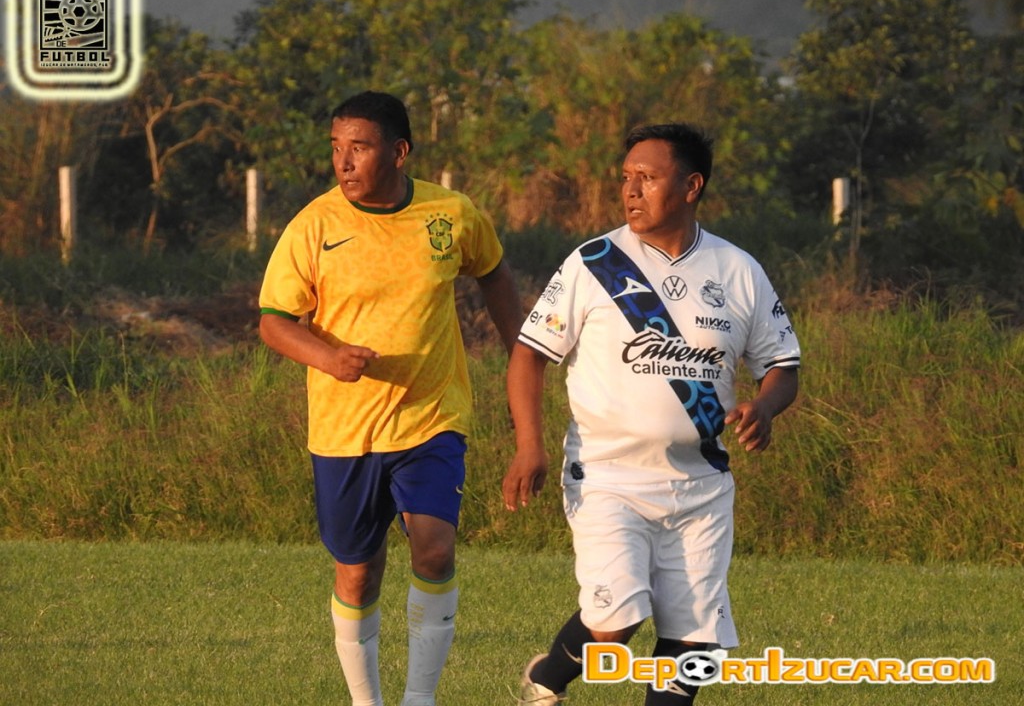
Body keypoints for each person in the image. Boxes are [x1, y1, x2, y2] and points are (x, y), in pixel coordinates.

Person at [502, 123, 800, 705]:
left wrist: (764, 406)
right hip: (607, 475)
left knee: (692, 645)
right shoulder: (596, 262)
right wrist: (528, 445)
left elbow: (783, 366)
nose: (631, 190)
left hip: (701, 484)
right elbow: (528, 355)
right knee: (615, 623)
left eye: (648, 177)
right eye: (626, 178)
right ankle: (547, 679)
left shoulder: (738, 270)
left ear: (691, 186)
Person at [258, 90, 522, 706]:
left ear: (399, 152)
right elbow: (274, 321)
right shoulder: (314, 225)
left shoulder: (450, 213)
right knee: (357, 571)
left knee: (434, 549)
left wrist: (521, 356)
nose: (343, 161)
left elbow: (494, 273)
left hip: (432, 417)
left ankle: (419, 700)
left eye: (359, 147)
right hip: (344, 430)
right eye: (336, 148)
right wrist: (329, 359)